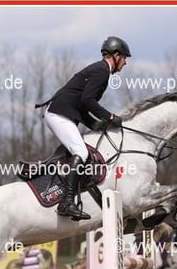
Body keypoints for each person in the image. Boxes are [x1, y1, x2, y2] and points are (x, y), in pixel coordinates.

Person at [36, 36, 131, 221]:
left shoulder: (101, 70)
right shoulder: (102, 71)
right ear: (116, 55)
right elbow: (87, 100)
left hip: (64, 113)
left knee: (83, 149)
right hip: (58, 114)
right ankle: (66, 202)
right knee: (81, 151)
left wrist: (97, 125)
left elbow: (83, 104)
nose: (125, 62)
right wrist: (110, 117)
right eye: (124, 57)